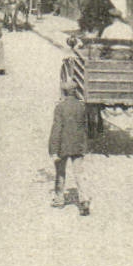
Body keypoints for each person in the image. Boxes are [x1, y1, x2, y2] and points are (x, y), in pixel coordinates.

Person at [48, 82, 91, 216]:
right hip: (78, 145)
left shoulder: (60, 107)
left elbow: (56, 129)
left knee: (60, 172)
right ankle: (84, 201)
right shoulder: (82, 107)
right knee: (79, 174)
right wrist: (84, 146)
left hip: (63, 146)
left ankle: (59, 199)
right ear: (75, 91)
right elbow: (86, 127)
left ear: (64, 92)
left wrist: (53, 149)